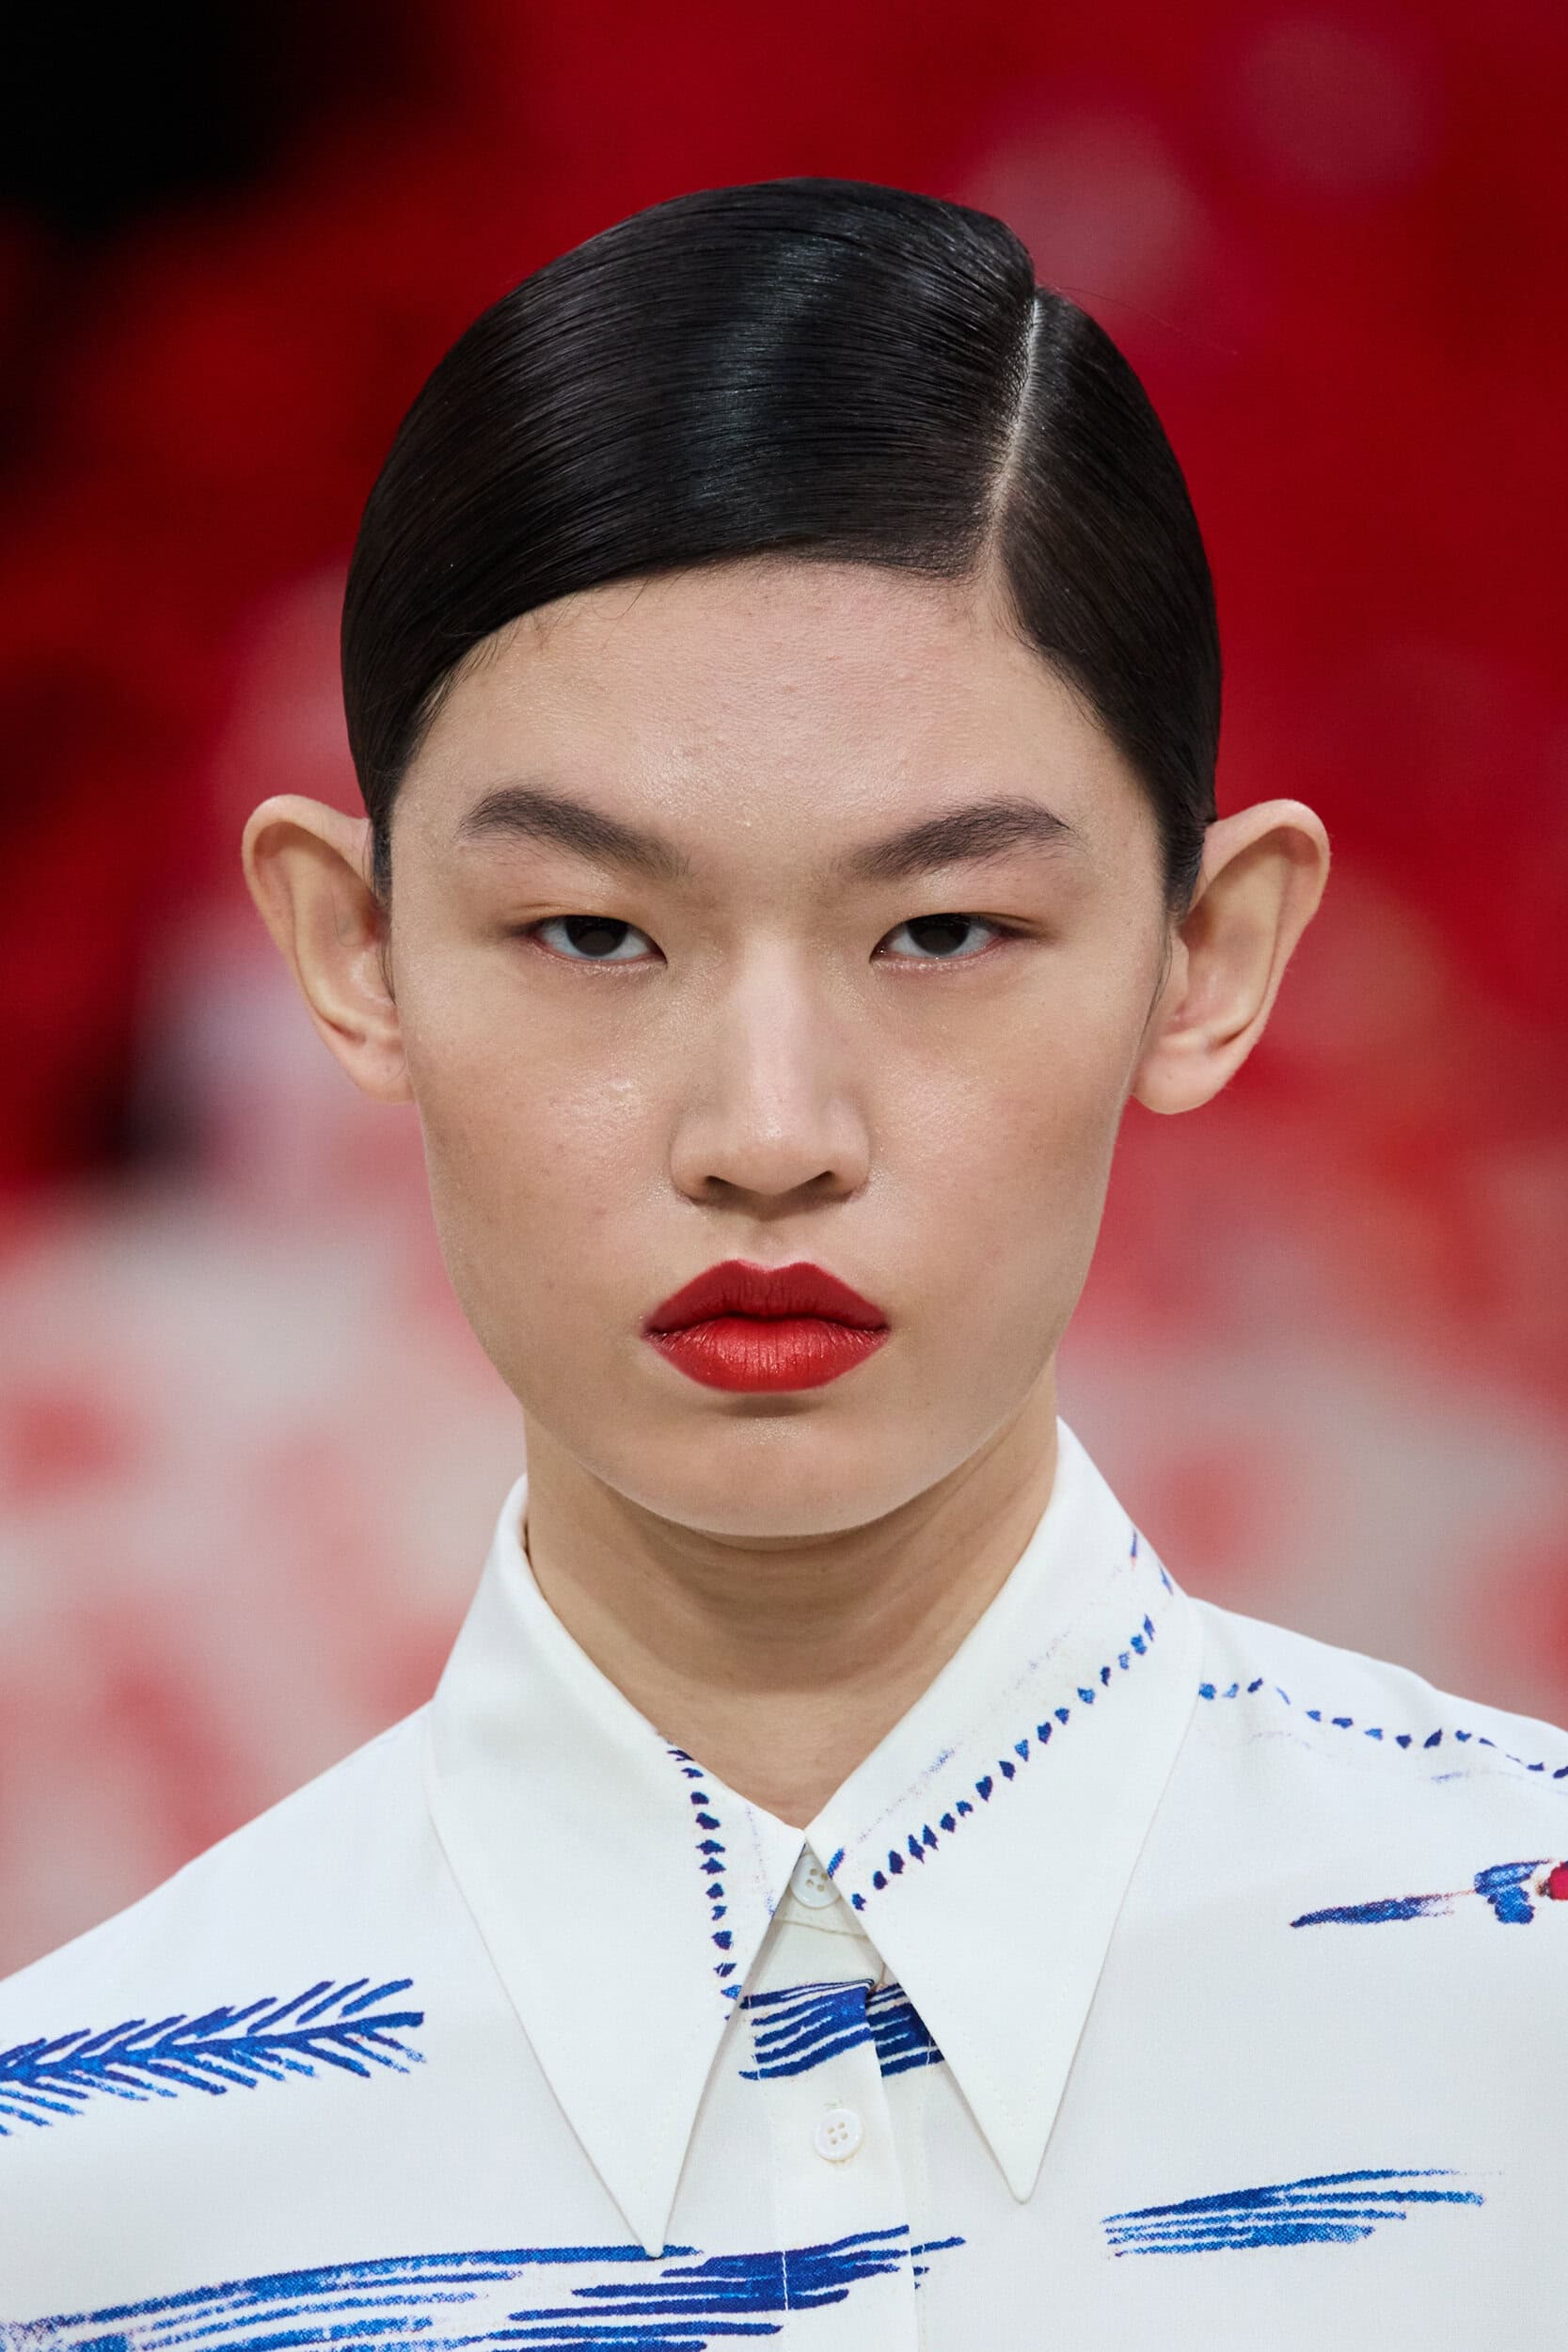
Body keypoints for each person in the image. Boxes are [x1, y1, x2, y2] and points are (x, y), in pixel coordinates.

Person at [0, 177, 1558, 2349]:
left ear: (1209, 956)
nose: (765, 1131)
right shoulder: (74, 2198)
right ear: (351, 950)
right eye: (591, 931)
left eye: (943, 930)